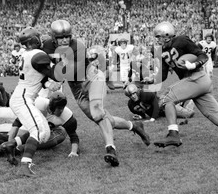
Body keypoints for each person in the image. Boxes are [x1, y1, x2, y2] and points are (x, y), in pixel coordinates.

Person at [41, 19, 150, 167]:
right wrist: (47, 81)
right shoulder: (47, 46)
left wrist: (56, 79)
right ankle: (134, 126)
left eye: (67, 36)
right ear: (54, 38)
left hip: (91, 78)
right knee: (103, 119)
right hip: (76, 89)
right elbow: (43, 67)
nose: (65, 39)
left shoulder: (77, 45)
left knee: (98, 112)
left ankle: (111, 149)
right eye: (61, 37)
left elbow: (71, 70)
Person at [8, 26, 57, 177]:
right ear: (33, 41)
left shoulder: (28, 55)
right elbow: (55, 75)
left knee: (45, 133)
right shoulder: (38, 55)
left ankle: (9, 146)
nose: (40, 39)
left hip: (22, 97)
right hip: (23, 99)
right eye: (38, 37)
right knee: (38, 131)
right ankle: (25, 165)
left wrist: (49, 84)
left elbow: (39, 80)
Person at [0, 91, 80, 161]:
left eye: (62, 108)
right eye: (59, 108)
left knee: (48, 137)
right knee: (33, 132)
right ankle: (11, 143)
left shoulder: (67, 116)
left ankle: (19, 148)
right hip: (38, 128)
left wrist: (73, 152)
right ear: (51, 106)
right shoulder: (39, 105)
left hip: (57, 130)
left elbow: (73, 136)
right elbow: (17, 123)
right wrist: (10, 143)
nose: (61, 111)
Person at [124, 83, 194, 123]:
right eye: (130, 95)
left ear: (137, 92)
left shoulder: (145, 94)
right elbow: (142, 113)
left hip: (164, 106)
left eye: (134, 93)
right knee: (178, 107)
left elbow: (156, 104)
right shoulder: (131, 105)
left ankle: (192, 101)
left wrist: (153, 118)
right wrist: (140, 116)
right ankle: (180, 102)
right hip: (161, 113)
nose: (133, 96)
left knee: (188, 114)